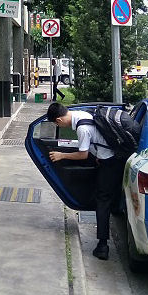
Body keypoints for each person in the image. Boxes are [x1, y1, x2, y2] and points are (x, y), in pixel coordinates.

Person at [46, 102, 125, 261]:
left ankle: (103, 246)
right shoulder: (82, 114)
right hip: (111, 157)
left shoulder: (82, 129)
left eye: (56, 123)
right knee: (109, 195)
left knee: (102, 200)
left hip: (110, 163)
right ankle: (116, 211)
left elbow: (82, 155)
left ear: (59, 121)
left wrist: (62, 155)